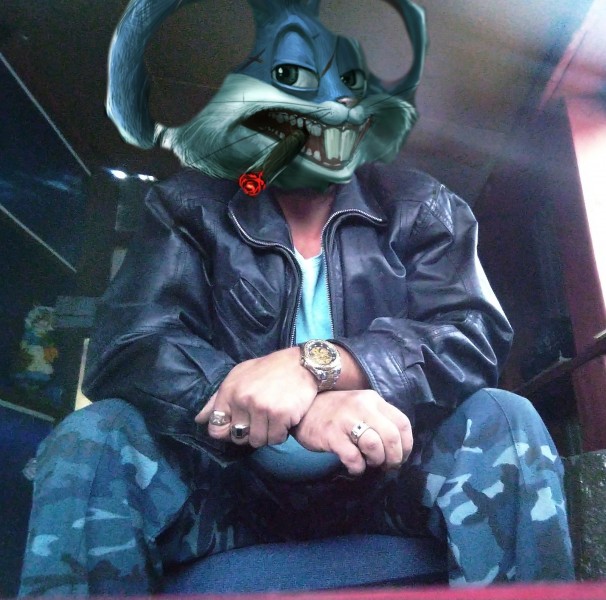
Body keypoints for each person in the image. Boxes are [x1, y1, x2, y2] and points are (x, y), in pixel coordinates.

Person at [19, 0, 574, 594]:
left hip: (386, 480)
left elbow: (471, 332)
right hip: (227, 488)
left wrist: (319, 365)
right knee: (94, 434)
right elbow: (130, 345)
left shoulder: (420, 205)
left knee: (506, 416)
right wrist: (292, 410)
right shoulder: (190, 207)